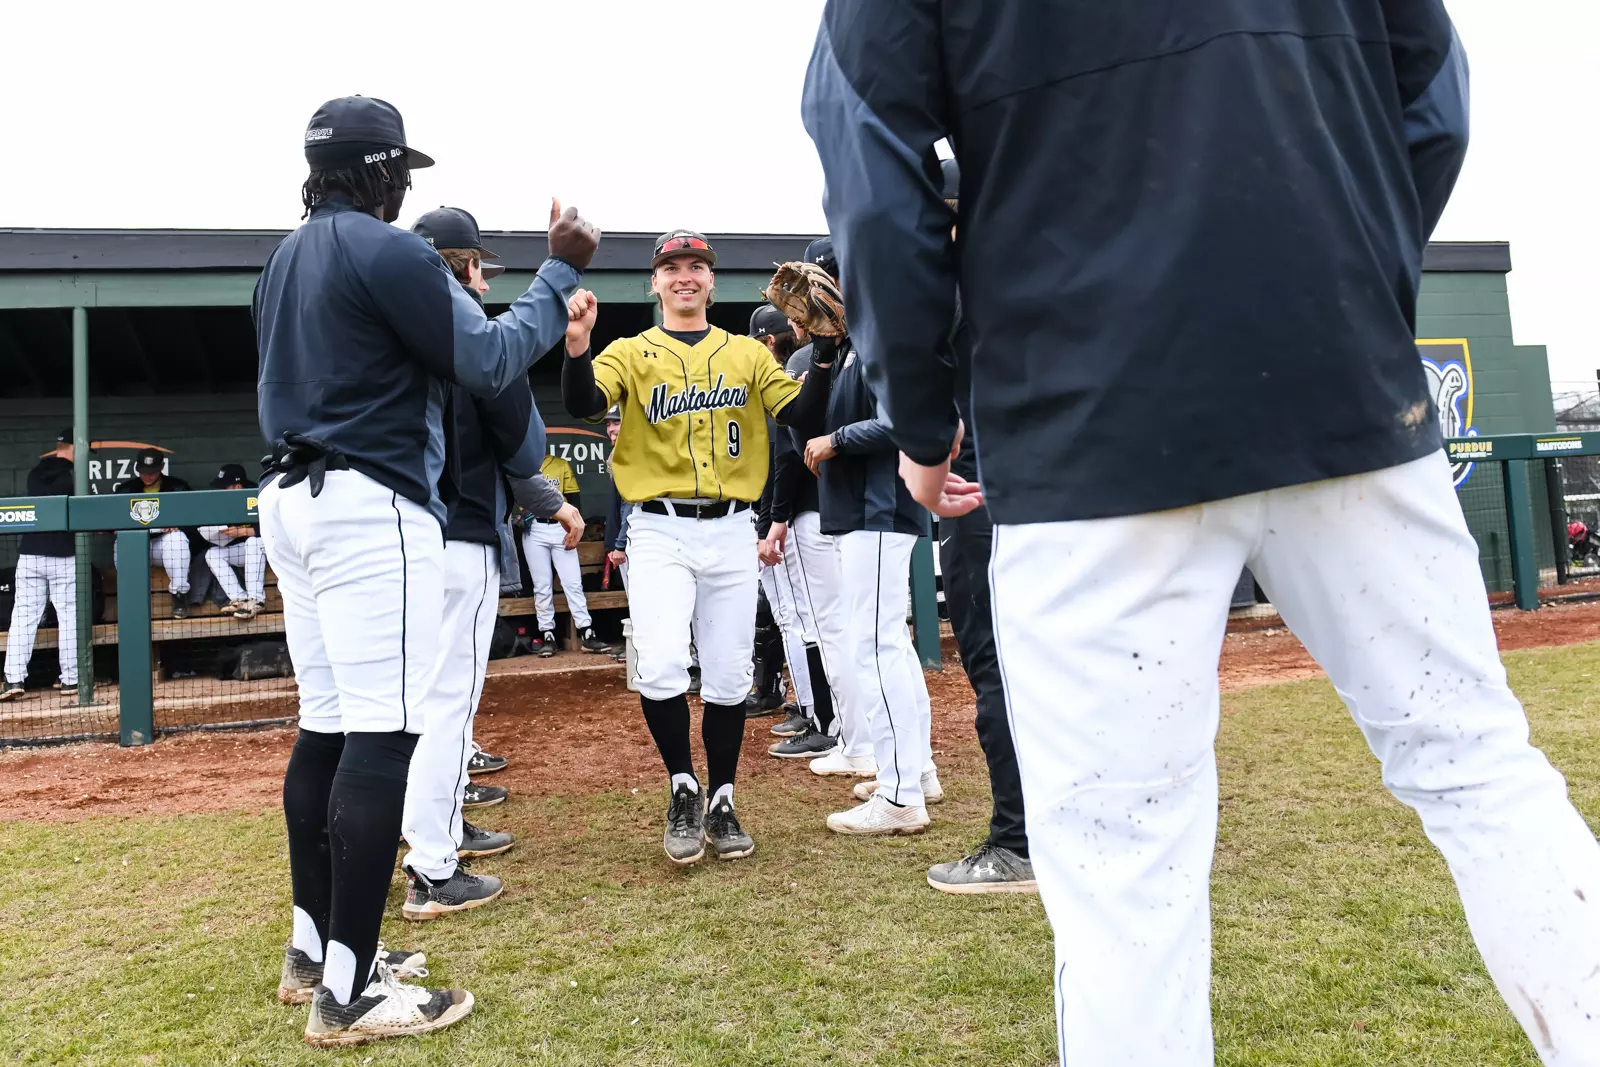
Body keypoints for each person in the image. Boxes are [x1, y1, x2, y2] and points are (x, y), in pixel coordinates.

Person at [802, 10, 1600, 1067]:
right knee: (1476, 766)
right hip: (1336, 385)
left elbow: (870, 162)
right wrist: (1342, 289)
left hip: (1086, 416)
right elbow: (1432, 98)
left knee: (1122, 860)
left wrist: (917, 412)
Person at [254, 94, 597, 1046]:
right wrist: (560, 269)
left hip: (289, 497)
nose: (404, 186)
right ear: (376, 171)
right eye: (399, 170)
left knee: (326, 728)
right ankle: (349, 992)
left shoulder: (282, 258)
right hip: (371, 502)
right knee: (382, 737)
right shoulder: (389, 248)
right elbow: (489, 360)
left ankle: (314, 950)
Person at [561, 229, 835, 865]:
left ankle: (724, 797)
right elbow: (584, 403)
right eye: (672, 267)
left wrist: (823, 349)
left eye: (696, 266)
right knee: (660, 664)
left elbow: (801, 415)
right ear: (655, 283)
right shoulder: (630, 352)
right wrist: (577, 344)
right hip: (659, 528)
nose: (684, 275)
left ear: (712, 281)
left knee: (729, 672)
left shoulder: (746, 353)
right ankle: (683, 787)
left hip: (733, 527)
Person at [398, 206, 586, 922]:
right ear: (468, 266)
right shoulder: (476, 331)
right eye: (480, 270)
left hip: (396, 536)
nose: (484, 283)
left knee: (409, 703)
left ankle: (439, 825)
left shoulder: (390, 328)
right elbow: (524, 447)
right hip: (461, 534)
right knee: (448, 705)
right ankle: (433, 862)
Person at [784, 237, 941, 834]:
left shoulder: (882, 332)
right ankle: (917, 771)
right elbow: (808, 417)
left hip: (881, 507)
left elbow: (910, 421)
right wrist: (825, 351)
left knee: (875, 644)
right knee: (886, 642)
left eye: (820, 284)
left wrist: (839, 440)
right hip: (862, 510)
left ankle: (901, 796)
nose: (810, 300)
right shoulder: (847, 345)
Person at [924, 160, 1033, 894]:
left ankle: (1018, 841)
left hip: (980, 497)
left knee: (997, 670)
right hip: (1052, 492)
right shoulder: (1040, 266)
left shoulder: (956, 284)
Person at [751, 305, 842, 758]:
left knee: (809, 621)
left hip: (806, 511)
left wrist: (773, 519)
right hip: (834, 509)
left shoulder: (799, 367)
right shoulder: (825, 359)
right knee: (826, 621)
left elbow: (785, 457)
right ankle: (825, 716)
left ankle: (824, 719)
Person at [1, 430, 79, 701]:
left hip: (31, 554)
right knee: (69, 616)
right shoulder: (73, 476)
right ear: (75, 447)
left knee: (23, 616)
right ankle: (71, 679)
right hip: (64, 555)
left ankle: (13, 679)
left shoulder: (35, 473)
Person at [522, 450, 609, 656]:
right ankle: (548, 634)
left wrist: (573, 527)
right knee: (542, 586)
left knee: (573, 583)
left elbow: (574, 499)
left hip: (561, 527)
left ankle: (586, 632)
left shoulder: (560, 464)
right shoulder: (523, 465)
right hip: (535, 529)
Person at [112, 448, 193, 619]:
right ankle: (131, 600)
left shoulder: (177, 487)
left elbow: (192, 520)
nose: (147, 476)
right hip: (137, 544)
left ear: (162, 467)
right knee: (122, 542)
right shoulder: (126, 489)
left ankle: (179, 596)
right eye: (143, 472)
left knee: (177, 539)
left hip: (162, 546)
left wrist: (178, 526)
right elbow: (114, 524)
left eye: (152, 472)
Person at [198, 463, 268, 619]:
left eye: (224, 487)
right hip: (250, 552)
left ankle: (256, 600)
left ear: (237, 486)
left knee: (252, 542)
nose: (220, 491)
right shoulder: (225, 501)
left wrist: (243, 532)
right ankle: (240, 599)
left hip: (271, 548)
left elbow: (275, 526)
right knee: (213, 554)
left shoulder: (260, 494)